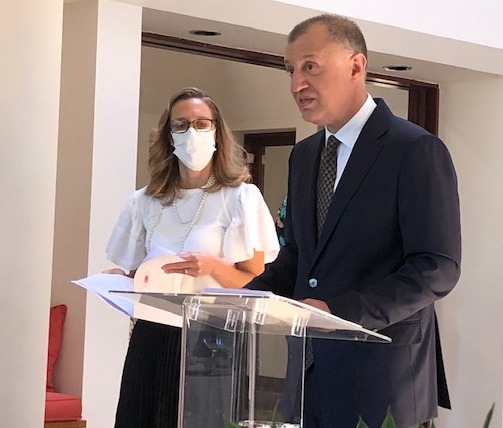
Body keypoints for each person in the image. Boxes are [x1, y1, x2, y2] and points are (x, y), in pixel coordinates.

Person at [246, 14, 461, 428]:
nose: (296, 84)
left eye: (310, 66)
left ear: (356, 66)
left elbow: (437, 267)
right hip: (308, 376)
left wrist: (338, 312)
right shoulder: (304, 156)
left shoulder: (414, 150)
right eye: (291, 70)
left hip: (383, 378)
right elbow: (299, 256)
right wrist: (241, 296)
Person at [105, 87, 280, 428]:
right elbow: (142, 275)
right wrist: (119, 279)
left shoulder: (241, 197)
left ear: (217, 131)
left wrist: (212, 267)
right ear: (169, 135)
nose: (191, 132)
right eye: (181, 125)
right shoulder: (145, 201)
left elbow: (255, 282)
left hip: (211, 337)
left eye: (202, 123)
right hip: (153, 334)